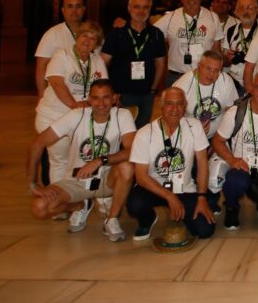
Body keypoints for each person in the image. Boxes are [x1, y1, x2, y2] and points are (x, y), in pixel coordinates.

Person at [26, 80, 136, 242]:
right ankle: (79, 205)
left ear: (114, 98)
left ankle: (112, 219)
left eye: (106, 97)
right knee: (39, 208)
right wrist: (32, 184)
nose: (101, 103)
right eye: (96, 98)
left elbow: (132, 150)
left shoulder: (122, 115)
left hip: (107, 178)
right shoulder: (76, 116)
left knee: (126, 167)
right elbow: (38, 143)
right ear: (89, 99)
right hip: (77, 179)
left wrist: (100, 160)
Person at [126, 87, 216, 240]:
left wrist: (201, 198)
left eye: (179, 104)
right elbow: (140, 177)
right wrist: (170, 197)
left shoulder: (194, 126)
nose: (174, 109)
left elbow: (202, 164)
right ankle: (147, 220)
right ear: (161, 106)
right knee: (135, 204)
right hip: (154, 188)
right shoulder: (145, 133)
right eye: (169, 104)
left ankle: (184, 216)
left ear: (185, 106)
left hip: (184, 188)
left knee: (205, 230)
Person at [210, 71, 258, 230]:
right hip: (243, 171)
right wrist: (232, 160)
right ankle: (232, 206)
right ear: (251, 89)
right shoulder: (236, 112)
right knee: (235, 181)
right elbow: (217, 141)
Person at [36, 20, 109, 184]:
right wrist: (74, 105)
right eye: (84, 36)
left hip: (79, 118)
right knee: (60, 159)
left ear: (96, 44)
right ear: (77, 36)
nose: (87, 41)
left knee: (79, 159)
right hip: (54, 115)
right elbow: (56, 83)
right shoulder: (62, 55)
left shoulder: (97, 61)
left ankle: (76, 197)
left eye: (93, 39)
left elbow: (102, 88)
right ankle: (58, 198)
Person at [101, 0, 167, 126]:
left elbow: (160, 63)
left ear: (150, 9)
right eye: (137, 7)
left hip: (146, 94)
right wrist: (110, 91)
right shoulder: (117, 33)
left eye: (145, 7)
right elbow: (103, 62)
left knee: (142, 132)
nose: (141, 11)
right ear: (129, 8)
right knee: (119, 132)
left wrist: (153, 89)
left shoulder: (156, 34)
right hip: (121, 95)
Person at [154, 0, 222, 89]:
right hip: (176, 77)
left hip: (204, 76)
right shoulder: (170, 17)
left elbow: (216, 49)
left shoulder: (213, 17)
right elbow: (149, 33)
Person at [171, 49, 240, 140]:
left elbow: (231, 111)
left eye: (216, 71)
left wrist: (220, 139)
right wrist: (192, 129)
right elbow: (171, 120)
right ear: (199, 66)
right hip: (189, 136)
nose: (211, 74)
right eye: (208, 69)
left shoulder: (225, 81)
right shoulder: (181, 86)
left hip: (218, 136)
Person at [34, 0, 88, 98]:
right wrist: (42, 95)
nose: (74, 10)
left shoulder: (92, 33)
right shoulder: (52, 34)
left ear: (84, 9)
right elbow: (41, 67)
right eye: (70, 6)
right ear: (63, 10)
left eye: (78, 6)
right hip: (58, 93)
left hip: (85, 92)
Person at [221, 0, 258, 93]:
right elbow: (225, 61)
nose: (246, 11)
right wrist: (228, 58)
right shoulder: (230, 31)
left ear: (257, 10)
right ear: (236, 11)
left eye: (250, 7)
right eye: (242, 7)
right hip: (235, 84)